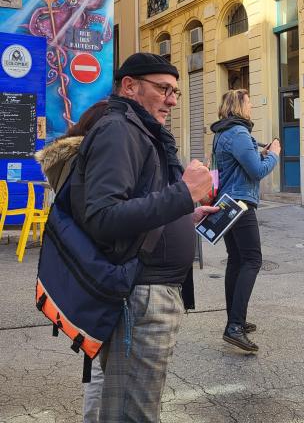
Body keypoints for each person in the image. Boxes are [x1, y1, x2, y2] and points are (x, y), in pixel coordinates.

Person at [68, 52, 216, 423]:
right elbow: (103, 216)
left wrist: (184, 213)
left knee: (135, 409)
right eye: (163, 89)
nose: (172, 100)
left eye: (176, 92)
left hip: (150, 293)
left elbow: (138, 204)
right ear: (130, 87)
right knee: (133, 414)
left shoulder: (138, 130)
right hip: (141, 295)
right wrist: (183, 194)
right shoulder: (119, 130)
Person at [35, 100, 109, 423]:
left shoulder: (68, 162)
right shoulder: (88, 163)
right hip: (97, 271)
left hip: (80, 271)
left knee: (96, 360)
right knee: (102, 363)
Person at [210, 89, 280, 352]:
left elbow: (236, 165)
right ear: (239, 106)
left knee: (237, 261)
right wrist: (273, 154)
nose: (251, 106)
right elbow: (257, 170)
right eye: (249, 102)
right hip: (240, 204)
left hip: (226, 203)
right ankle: (235, 326)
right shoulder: (238, 133)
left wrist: (259, 151)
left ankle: (234, 319)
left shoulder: (222, 134)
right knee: (252, 260)